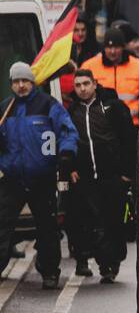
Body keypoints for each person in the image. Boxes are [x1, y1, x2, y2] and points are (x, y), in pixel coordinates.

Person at [0, 62, 78, 289]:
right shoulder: (6, 109)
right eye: (16, 82)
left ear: (32, 82)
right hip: (13, 179)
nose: (21, 85)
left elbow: (66, 130)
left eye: (25, 81)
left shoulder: (47, 105)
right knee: (2, 225)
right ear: (11, 84)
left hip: (41, 179)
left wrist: (66, 153)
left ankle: (50, 272)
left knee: (47, 228)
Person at [65, 69, 135, 282]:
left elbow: (129, 140)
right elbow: (68, 142)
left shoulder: (112, 107)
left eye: (86, 83)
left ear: (95, 84)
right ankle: (103, 264)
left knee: (113, 221)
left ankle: (112, 262)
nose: (83, 89)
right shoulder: (72, 111)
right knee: (91, 222)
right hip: (85, 178)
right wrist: (70, 169)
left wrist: (127, 173)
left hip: (112, 176)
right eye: (78, 85)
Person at [81, 23, 139, 125]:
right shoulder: (89, 67)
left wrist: (134, 111)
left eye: (116, 47)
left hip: (131, 123)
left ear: (123, 47)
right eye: (109, 47)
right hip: (100, 124)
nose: (112, 51)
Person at [57, 15, 101, 106]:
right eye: (76, 30)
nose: (80, 33)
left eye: (83, 30)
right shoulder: (63, 50)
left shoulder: (95, 50)